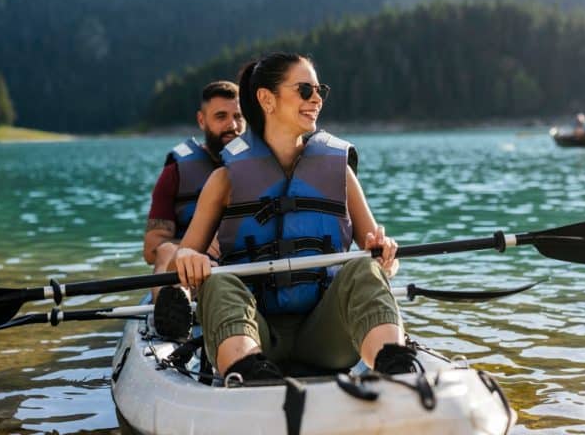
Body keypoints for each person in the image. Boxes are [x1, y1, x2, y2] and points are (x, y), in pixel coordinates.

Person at [173, 52, 416, 381]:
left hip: (325, 338)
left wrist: (385, 255)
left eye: (320, 91)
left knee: (363, 267)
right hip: (254, 331)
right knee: (218, 281)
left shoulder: (339, 173)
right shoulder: (224, 181)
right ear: (266, 99)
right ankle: (248, 371)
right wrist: (189, 259)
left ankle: (397, 368)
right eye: (304, 90)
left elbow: (384, 266)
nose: (316, 99)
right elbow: (182, 259)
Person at [143, 80, 246, 285]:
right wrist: (197, 249)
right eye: (221, 116)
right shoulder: (175, 172)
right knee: (166, 250)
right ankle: (171, 307)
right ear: (201, 120)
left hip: (243, 262)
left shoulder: (260, 167)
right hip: (190, 270)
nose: (232, 125)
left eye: (238, 117)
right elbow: (151, 248)